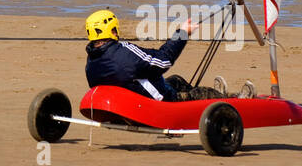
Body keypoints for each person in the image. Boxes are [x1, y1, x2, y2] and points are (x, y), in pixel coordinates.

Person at [84, 8, 221, 102]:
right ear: (112, 30)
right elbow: (163, 61)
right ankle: (231, 99)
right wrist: (183, 33)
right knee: (200, 94)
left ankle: (220, 95)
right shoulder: (124, 52)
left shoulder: (91, 62)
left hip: (129, 100)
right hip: (154, 104)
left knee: (175, 80)